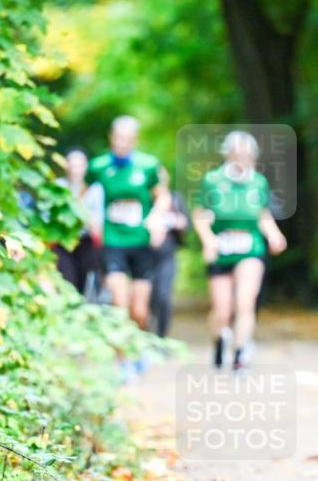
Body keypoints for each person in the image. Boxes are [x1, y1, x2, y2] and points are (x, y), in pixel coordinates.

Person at [193, 131, 287, 371]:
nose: (242, 159)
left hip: (250, 247)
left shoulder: (258, 182)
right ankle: (218, 341)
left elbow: (263, 214)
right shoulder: (212, 181)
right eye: (237, 154)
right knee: (223, 311)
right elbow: (201, 216)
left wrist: (274, 234)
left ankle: (239, 352)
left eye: (247, 155)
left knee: (245, 302)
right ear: (228, 154)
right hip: (221, 249)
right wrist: (208, 240)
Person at [87, 116, 171, 333]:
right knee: (119, 303)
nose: (121, 143)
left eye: (126, 139)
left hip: (141, 241)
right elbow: (80, 197)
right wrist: (91, 220)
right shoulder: (98, 167)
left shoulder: (148, 166)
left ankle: (139, 345)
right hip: (113, 240)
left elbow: (162, 197)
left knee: (139, 310)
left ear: (134, 140)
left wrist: (155, 217)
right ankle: (122, 361)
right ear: (111, 138)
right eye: (118, 138)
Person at [56, 148, 104, 298]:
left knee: (86, 283)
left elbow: (97, 225)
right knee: (67, 281)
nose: (75, 170)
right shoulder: (57, 187)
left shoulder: (94, 190)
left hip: (86, 243)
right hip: (63, 242)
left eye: (79, 165)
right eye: (72, 165)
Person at [149, 167, 189, 338]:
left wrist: (179, 223)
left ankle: (162, 335)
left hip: (167, 255)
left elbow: (187, 224)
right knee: (148, 297)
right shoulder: (145, 199)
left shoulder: (175, 199)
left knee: (163, 295)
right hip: (145, 256)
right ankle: (147, 334)